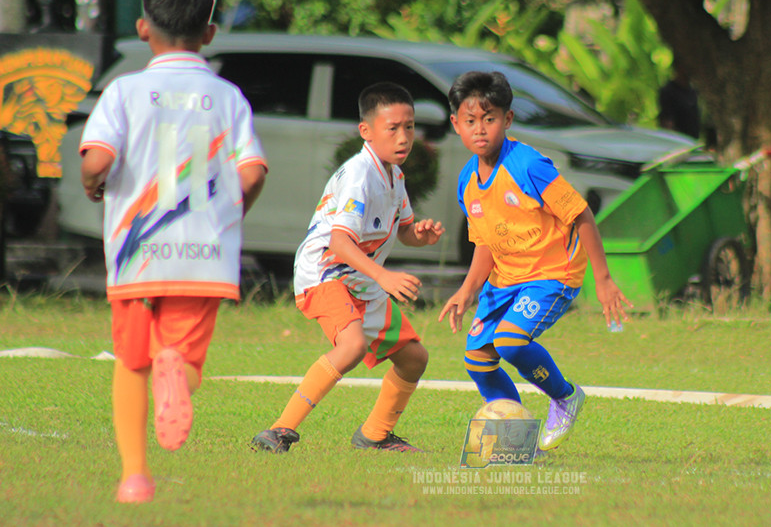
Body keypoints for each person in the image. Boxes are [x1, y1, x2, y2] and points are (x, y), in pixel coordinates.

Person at [79, 0, 268, 503]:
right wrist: (236, 209)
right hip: (203, 255)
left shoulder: (124, 92)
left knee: (130, 364)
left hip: (137, 254)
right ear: (209, 33)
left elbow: (97, 158)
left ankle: (134, 477)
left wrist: (95, 183)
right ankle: (177, 377)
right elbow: (251, 172)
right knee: (181, 361)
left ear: (143, 29)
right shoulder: (228, 97)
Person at [437, 71, 630, 452]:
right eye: (470, 121)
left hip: (552, 274)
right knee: (477, 359)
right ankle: (514, 438)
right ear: (455, 124)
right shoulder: (467, 182)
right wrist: (467, 290)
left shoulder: (528, 165)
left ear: (507, 121)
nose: (480, 129)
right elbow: (486, 243)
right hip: (506, 278)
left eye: (489, 119)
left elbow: (581, 214)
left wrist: (603, 279)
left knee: (509, 342)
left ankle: (565, 396)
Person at [251, 83, 444, 455]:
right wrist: (385, 277)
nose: (404, 137)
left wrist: (419, 234)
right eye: (393, 128)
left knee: (414, 358)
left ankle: (375, 434)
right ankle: (278, 431)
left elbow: (403, 231)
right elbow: (340, 243)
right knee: (352, 344)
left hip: (360, 279)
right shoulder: (360, 174)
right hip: (326, 273)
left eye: (409, 127)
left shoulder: (394, 174)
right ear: (366, 131)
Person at [657, 68, 701, 139]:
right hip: (678, 141)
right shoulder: (668, 91)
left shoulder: (693, 91)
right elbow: (666, 121)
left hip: (692, 141)